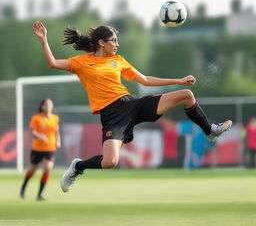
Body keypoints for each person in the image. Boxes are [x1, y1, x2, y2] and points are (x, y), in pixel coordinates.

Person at [32, 21, 232, 193]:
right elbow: (52, 62)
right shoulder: (82, 62)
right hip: (112, 115)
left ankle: (210, 130)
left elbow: (144, 80)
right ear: (102, 42)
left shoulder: (118, 61)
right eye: (113, 40)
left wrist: (178, 80)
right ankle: (78, 166)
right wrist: (43, 40)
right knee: (110, 162)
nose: (117, 44)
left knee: (186, 95)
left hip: (131, 104)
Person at [20, 98, 60, 200]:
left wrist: (58, 141)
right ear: (42, 106)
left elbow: (56, 131)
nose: (48, 106)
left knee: (48, 168)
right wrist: (40, 136)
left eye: (50, 104)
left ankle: (39, 194)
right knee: (32, 170)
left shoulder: (55, 118)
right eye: (46, 104)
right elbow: (33, 132)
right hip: (37, 148)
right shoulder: (36, 118)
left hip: (50, 148)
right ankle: (24, 186)